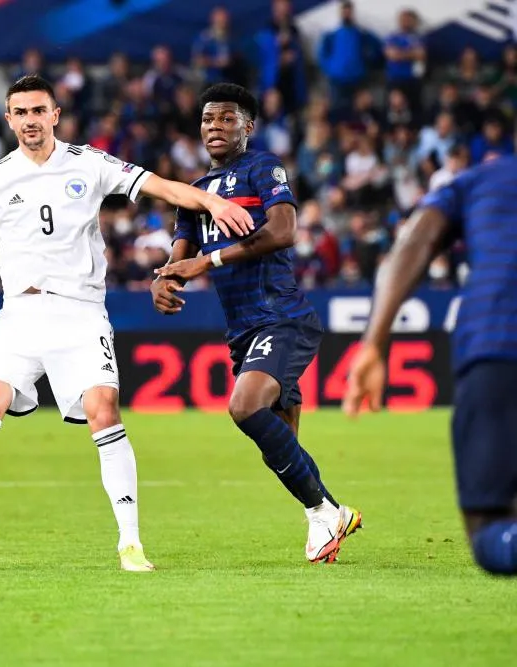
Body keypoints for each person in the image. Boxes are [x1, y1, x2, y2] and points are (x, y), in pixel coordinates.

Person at [0, 75, 255, 572]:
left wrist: (213, 202)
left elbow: (160, 186)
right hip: (19, 314)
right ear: (9, 120)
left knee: (103, 411)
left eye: (38, 111)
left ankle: (130, 544)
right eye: (20, 112)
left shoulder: (89, 163)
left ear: (55, 115)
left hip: (81, 312)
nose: (30, 120)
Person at [153, 83, 362, 563]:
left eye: (227, 119)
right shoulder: (195, 193)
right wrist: (162, 280)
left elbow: (283, 231)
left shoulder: (263, 168)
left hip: (282, 316)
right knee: (280, 445)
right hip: (243, 329)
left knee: (244, 406)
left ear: (247, 126)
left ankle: (325, 512)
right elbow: (180, 255)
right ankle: (328, 517)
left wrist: (207, 262)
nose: (215, 127)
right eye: (208, 119)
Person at [343, 156, 517, 575]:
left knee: (488, 529)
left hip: (499, 339)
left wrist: (374, 343)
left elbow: (416, 240)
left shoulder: (482, 180)